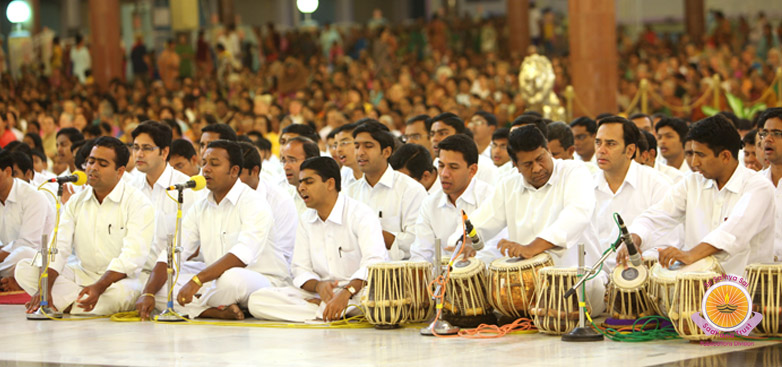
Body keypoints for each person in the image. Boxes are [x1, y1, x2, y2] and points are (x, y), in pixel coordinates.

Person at [135, 140, 289, 320]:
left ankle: (204, 304)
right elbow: (174, 253)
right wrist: (148, 293)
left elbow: (243, 254)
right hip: (215, 281)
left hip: (261, 279)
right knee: (160, 286)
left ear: (233, 171)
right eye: (204, 163)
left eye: (214, 164)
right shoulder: (200, 207)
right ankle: (216, 310)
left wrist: (197, 281)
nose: (205, 169)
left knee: (232, 280)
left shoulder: (254, 202)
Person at [466, 125, 605, 315]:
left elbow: (576, 215)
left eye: (541, 158)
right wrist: (466, 241)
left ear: (547, 149)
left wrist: (532, 248)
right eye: (528, 164)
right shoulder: (508, 185)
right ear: (514, 165)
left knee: (585, 289)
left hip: (581, 285)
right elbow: (481, 222)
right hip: (527, 293)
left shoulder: (574, 172)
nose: (538, 168)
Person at [16, 137, 154, 315]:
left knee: (117, 296)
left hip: (120, 280)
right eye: (90, 161)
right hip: (82, 274)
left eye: (102, 164)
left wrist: (99, 287)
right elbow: (59, 246)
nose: (93, 168)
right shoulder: (76, 201)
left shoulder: (138, 203)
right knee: (24, 268)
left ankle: (66, 303)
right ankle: (74, 303)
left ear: (119, 171)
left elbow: (132, 258)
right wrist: (45, 287)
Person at [624, 115, 775, 275]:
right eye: (692, 154)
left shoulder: (758, 187)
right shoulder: (692, 182)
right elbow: (657, 215)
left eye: (701, 155)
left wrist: (691, 255)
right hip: (697, 288)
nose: (694, 163)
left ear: (725, 156)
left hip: (747, 290)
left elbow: (734, 232)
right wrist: (634, 238)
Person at [248, 157, 388, 322]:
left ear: (329, 184)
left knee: (377, 301)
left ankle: (328, 309)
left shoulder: (360, 214)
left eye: (309, 182)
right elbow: (300, 268)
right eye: (300, 182)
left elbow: (374, 263)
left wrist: (346, 293)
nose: (301, 188)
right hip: (321, 293)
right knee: (258, 300)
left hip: (358, 291)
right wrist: (318, 286)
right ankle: (334, 311)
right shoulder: (306, 219)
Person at [591, 117, 678, 268]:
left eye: (610, 144)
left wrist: (637, 260)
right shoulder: (587, 186)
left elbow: (671, 242)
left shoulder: (657, 184)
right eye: (598, 142)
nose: (601, 150)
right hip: (595, 278)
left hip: (644, 278)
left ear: (630, 150)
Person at [410, 134, 503, 265]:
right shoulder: (430, 203)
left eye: (453, 167)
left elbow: (495, 251)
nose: (444, 174)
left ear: (472, 170)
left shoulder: (490, 199)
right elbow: (421, 254)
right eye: (441, 166)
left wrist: (463, 265)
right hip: (440, 281)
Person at [346, 121, 426, 260]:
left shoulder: (411, 190)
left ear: (386, 152)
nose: (360, 152)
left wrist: (375, 233)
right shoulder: (349, 192)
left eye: (368, 146)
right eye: (357, 146)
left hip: (398, 274)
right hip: (356, 272)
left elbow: (418, 241)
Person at [127, 122, 197, 272]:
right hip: (134, 270)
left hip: (172, 272)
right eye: (136, 147)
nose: (139, 154)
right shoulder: (131, 188)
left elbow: (191, 246)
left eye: (147, 148)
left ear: (164, 152)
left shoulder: (184, 189)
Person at [237, 141, 297, 265]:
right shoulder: (223, 196)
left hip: (269, 270)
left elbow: (283, 253)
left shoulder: (280, 200)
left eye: (238, 173)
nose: (232, 179)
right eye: (229, 172)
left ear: (254, 171)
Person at [0, 151, 54, 291]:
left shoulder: (33, 196)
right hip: (8, 263)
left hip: (38, 260)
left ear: (7, 171)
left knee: (23, 254)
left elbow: (29, 243)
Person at [429, 113, 498, 186]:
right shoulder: (436, 163)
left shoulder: (484, 166)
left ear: (459, 135)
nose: (435, 139)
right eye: (432, 134)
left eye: (442, 133)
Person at [758, 108, 782, 259]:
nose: (768, 139)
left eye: (777, 134)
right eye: (765, 133)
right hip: (761, 275)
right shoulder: (755, 183)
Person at [280, 137, 320, 214]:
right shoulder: (284, 197)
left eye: (292, 160)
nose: (286, 167)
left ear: (312, 161)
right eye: (284, 161)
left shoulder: (330, 196)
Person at [333, 123, 362, 188]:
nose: (338, 150)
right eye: (335, 145)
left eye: (344, 143)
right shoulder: (344, 171)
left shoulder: (374, 172)